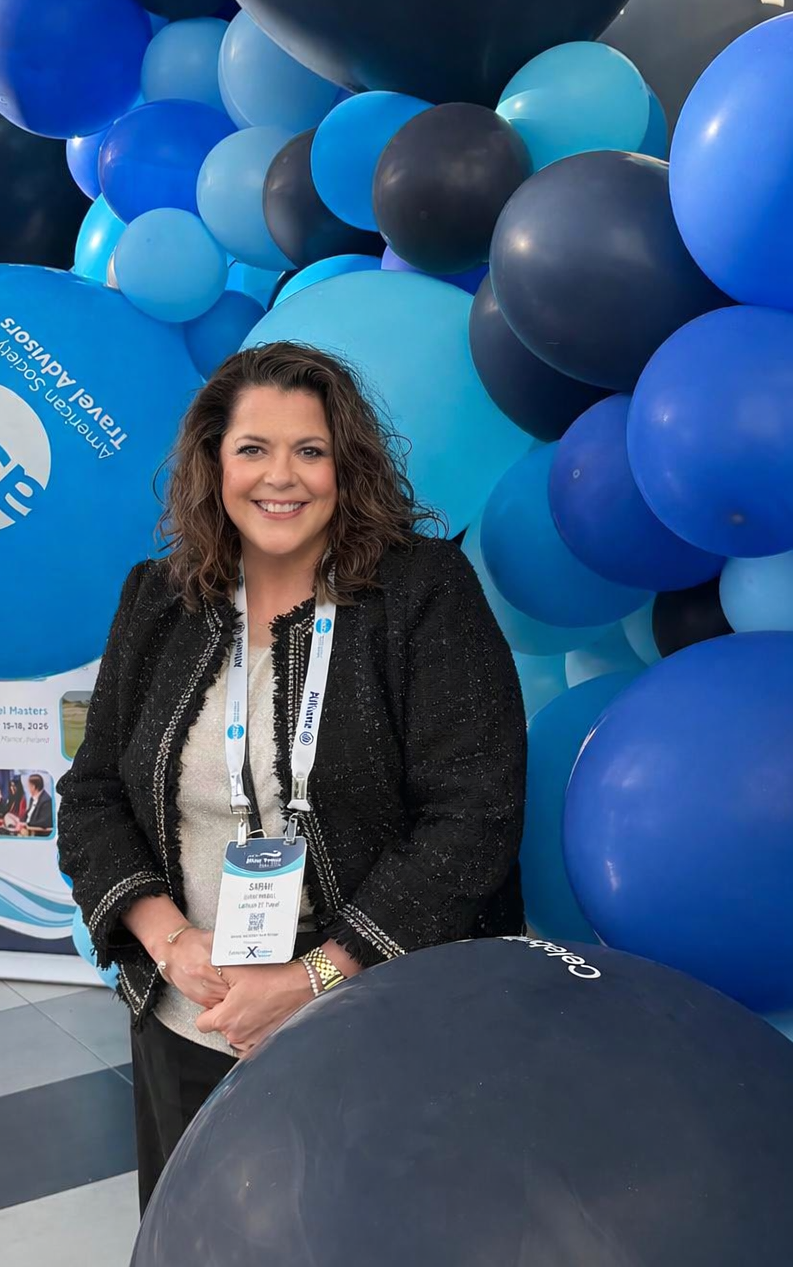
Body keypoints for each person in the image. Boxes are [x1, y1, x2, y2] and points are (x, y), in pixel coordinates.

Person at [56, 343, 526, 1212]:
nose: (282, 477)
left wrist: (315, 978)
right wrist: (170, 943)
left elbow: (474, 817)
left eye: (310, 450)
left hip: (380, 1029)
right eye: (253, 449)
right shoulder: (158, 599)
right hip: (191, 1021)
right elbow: (91, 796)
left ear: (346, 466)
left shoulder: (422, 592)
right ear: (214, 465)